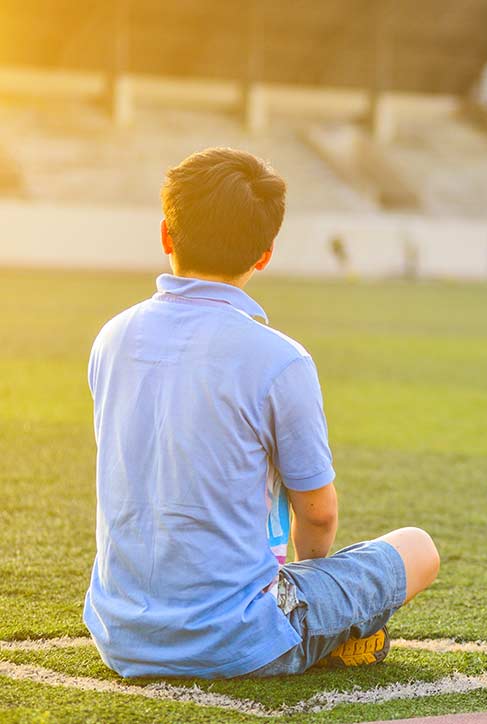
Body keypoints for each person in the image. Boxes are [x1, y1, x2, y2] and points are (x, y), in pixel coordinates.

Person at [84, 147, 439, 679]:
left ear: (166, 235)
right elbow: (317, 513)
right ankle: (331, 636)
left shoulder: (111, 337)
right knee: (418, 548)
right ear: (265, 254)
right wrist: (316, 584)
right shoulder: (279, 358)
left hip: (122, 635)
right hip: (237, 638)